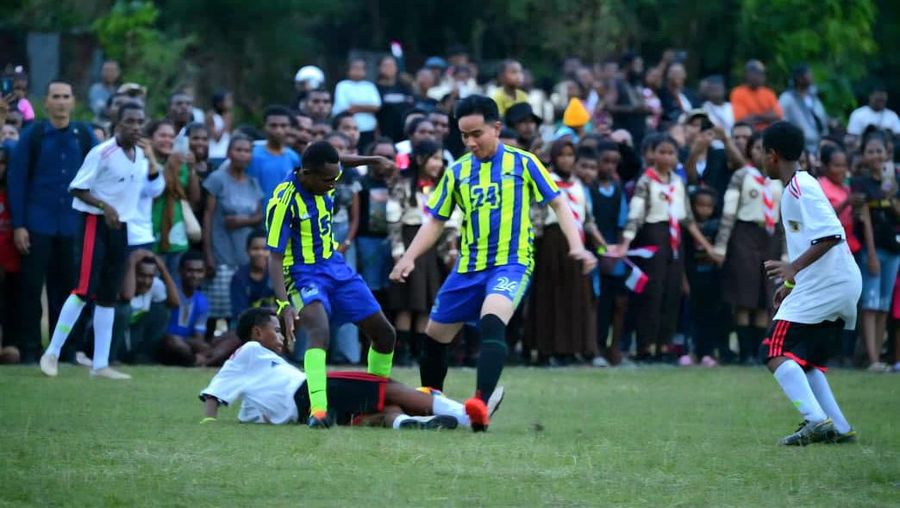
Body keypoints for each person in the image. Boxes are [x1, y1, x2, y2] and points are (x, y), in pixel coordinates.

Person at [390, 95, 597, 430]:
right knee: (435, 337)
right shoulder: (457, 170)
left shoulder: (524, 162)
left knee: (491, 320)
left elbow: (559, 205)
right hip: (468, 267)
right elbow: (435, 220)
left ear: (496, 128)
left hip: (511, 263)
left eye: (477, 134)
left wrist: (577, 246)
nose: (470, 142)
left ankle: (480, 405)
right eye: (464, 135)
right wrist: (409, 258)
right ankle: (432, 404)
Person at [266, 141, 397, 429]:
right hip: (301, 273)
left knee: (385, 334)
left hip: (335, 265)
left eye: (335, 177)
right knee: (319, 331)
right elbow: (274, 258)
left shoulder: (325, 174)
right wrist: (283, 303)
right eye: (328, 180)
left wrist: (373, 158)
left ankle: (372, 403)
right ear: (308, 174)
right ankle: (319, 411)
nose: (333, 184)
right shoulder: (283, 201)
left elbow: (339, 162)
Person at [198, 308, 487, 430]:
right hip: (310, 392)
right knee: (385, 385)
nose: (284, 335)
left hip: (305, 413)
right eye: (277, 330)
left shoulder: (256, 379)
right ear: (257, 333)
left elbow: (245, 403)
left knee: (382, 409)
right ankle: (467, 414)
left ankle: (410, 424)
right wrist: (209, 422)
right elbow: (217, 388)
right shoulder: (250, 350)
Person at [39, 103, 158, 380]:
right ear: (118, 123)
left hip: (121, 227)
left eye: (140, 121)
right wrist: (105, 207)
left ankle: (100, 364)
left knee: (108, 295)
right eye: (130, 121)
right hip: (95, 223)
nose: (136, 126)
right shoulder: (102, 152)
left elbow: (145, 189)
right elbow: (78, 188)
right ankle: (52, 353)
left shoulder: (140, 154)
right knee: (83, 290)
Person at [759, 121, 859, 445]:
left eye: (762, 153)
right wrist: (790, 284)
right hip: (832, 283)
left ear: (772, 155)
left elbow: (831, 235)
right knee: (807, 359)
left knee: (773, 350)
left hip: (829, 284)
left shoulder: (802, 187)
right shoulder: (794, 189)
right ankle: (840, 428)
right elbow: (810, 244)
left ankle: (815, 421)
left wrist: (792, 268)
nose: (762, 160)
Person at [8, 80, 98, 363]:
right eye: (55, 97)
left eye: (66, 97)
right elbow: (17, 182)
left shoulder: (83, 136)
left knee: (71, 291)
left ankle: (66, 350)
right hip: (37, 224)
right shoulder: (32, 136)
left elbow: (100, 175)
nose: (61, 102)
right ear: (45, 103)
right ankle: (31, 350)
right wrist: (19, 225)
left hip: (74, 225)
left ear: (73, 101)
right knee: (32, 290)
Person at [612, 135, 722, 362]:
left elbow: (687, 219)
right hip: (653, 238)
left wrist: (708, 246)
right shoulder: (646, 181)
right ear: (652, 154)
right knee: (652, 292)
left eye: (671, 153)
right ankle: (646, 345)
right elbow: (636, 214)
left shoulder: (677, 182)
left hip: (675, 242)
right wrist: (625, 242)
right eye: (662, 152)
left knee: (672, 292)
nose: (666, 157)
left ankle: (664, 344)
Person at [526, 141, 602, 365]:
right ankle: (546, 349)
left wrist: (603, 246)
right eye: (562, 155)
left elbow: (587, 219)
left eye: (571, 155)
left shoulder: (578, 185)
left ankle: (572, 348)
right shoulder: (545, 180)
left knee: (576, 296)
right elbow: (535, 212)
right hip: (551, 242)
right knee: (549, 296)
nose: (567, 160)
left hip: (576, 242)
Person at [713, 132, 783, 363]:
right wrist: (721, 246)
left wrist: (785, 252)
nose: (761, 153)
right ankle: (745, 352)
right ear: (750, 151)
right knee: (745, 295)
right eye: (757, 148)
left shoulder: (779, 179)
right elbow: (729, 213)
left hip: (770, 237)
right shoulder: (742, 176)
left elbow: (783, 218)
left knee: (766, 295)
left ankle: (758, 350)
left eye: (767, 148)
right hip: (745, 236)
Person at [387, 140, 453, 366]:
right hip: (409, 241)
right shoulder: (402, 184)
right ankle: (402, 351)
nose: (438, 164)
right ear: (419, 159)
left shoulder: (442, 186)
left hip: (431, 246)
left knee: (426, 301)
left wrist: (448, 251)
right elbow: (393, 220)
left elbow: (448, 221)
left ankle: (420, 351)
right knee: (407, 302)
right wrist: (398, 253)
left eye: (441, 159)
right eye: (434, 158)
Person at [202, 135, 263, 334]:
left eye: (247, 151)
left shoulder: (253, 183)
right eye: (238, 150)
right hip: (221, 253)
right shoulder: (217, 179)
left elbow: (259, 216)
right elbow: (208, 216)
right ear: (228, 153)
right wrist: (208, 253)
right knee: (216, 308)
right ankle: (208, 343)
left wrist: (242, 221)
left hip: (245, 256)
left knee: (238, 309)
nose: (243, 154)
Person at [851, 132, 899, 372]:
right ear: (863, 155)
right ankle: (872, 359)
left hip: (894, 250)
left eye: (879, 151)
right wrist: (870, 254)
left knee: (883, 305)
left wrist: (890, 193)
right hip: (873, 250)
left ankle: (878, 357)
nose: (875, 156)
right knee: (869, 305)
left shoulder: (893, 180)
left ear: (887, 153)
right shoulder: (860, 183)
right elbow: (865, 220)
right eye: (870, 151)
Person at [586, 142, 629, 366]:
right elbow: (588, 222)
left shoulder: (619, 190)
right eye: (606, 161)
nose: (610, 166)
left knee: (619, 302)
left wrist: (619, 250)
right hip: (595, 253)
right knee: (597, 302)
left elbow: (623, 222)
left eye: (615, 162)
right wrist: (602, 252)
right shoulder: (588, 190)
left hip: (615, 254)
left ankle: (615, 348)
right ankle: (596, 347)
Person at [159, 250, 240, 366]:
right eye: (190, 271)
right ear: (180, 271)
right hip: (168, 344)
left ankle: (202, 360)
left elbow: (199, 337)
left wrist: (201, 346)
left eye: (199, 271)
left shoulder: (202, 300)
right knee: (173, 341)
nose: (195, 275)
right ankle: (200, 361)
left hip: (188, 345)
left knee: (234, 335)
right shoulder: (171, 291)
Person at [683, 188, 729, 366]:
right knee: (691, 317)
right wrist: (684, 280)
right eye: (700, 205)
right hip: (693, 277)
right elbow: (683, 257)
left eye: (708, 206)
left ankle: (708, 353)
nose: (704, 210)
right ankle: (691, 352)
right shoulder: (688, 229)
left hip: (712, 279)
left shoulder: (718, 227)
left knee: (710, 317)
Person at [112, 249, 180, 364]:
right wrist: (132, 261)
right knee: (124, 310)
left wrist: (163, 270)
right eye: (142, 275)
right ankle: (112, 358)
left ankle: (144, 357)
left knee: (162, 311)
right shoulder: (122, 283)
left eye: (150, 276)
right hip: (115, 338)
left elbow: (175, 303)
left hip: (134, 335)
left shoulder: (155, 284)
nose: (146, 281)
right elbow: (128, 296)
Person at [355, 139, 395, 300]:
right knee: (370, 287)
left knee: (392, 288)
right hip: (367, 241)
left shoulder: (401, 182)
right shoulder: (361, 183)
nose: (384, 161)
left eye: (389, 156)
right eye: (379, 156)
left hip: (394, 240)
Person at [248, 106, 301, 203]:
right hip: (255, 215)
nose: (278, 130)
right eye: (273, 125)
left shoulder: (293, 157)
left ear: (290, 128)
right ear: (264, 127)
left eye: (283, 126)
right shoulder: (252, 155)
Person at [0, 145, 21, 363]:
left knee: (11, 302)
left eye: (2, 162)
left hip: (10, 261)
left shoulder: (14, 193)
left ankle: (10, 343)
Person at [333, 58, 381, 151]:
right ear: (348, 70)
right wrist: (367, 108)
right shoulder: (342, 85)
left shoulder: (369, 86)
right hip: (348, 130)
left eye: (361, 68)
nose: (358, 71)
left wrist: (356, 107)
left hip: (368, 130)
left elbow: (377, 106)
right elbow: (345, 108)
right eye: (355, 68)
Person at [779, 65, 828, 154]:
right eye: (808, 74)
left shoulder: (813, 98)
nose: (811, 77)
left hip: (818, 143)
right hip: (799, 144)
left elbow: (821, 118)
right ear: (799, 78)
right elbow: (782, 120)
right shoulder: (787, 98)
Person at [230, 230, 275, 320]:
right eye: (255, 249)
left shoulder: (277, 275)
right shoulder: (239, 278)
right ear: (247, 250)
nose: (260, 253)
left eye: (265, 249)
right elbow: (240, 314)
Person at [607, 53, 650, 145]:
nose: (640, 69)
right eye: (637, 65)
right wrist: (631, 109)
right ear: (628, 66)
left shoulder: (638, 82)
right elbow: (610, 107)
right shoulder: (616, 83)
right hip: (623, 130)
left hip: (639, 130)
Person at [730, 60, 783, 131]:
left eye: (762, 74)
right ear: (747, 74)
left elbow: (778, 116)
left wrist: (755, 116)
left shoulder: (769, 93)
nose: (761, 77)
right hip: (749, 134)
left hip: (769, 133)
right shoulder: (738, 92)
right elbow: (742, 120)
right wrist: (767, 116)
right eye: (757, 73)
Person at [375, 56, 415, 143]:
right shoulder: (374, 88)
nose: (389, 68)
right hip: (384, 134)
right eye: (386, 65)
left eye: (392, 65)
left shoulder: (405, 87)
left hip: (404, 133)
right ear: (379, 68)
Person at [206, 90, 233, 162]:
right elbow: (216, 138)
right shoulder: (211, 116)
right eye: (227, 100)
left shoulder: (228, 115)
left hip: (226, 154)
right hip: (215, 155)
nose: (230, 103)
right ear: (219, 103)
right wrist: (225, 123)